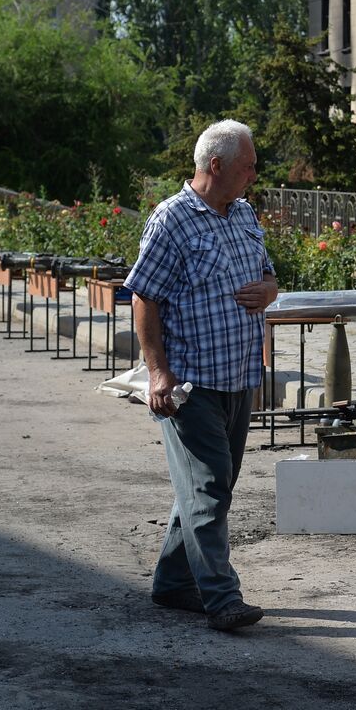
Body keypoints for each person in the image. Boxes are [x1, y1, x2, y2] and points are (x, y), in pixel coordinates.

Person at [123, 119, 278, 631]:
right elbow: (144, 294)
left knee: (210, 487)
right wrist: (158, 373)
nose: (255, 172)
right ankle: (221, 598)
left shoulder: (242, 214)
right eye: (248, 164)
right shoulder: (172, 220)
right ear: (216, 165)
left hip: (239, 377)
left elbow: (266, 269)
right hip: (191, 385)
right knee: (209, 489)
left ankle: (172, 583)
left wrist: (269, 289)